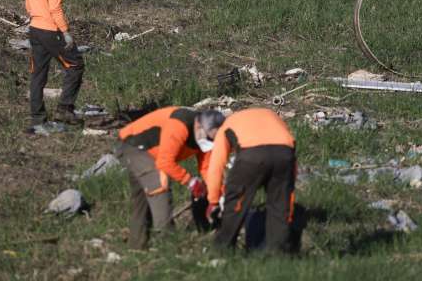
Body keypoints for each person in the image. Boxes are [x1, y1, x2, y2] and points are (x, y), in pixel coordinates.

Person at [116, 106, 225, 249]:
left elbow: (207, 170)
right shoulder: (180, 124)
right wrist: (190, 181)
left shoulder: (205, 138)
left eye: (213, 139)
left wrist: (219, 196)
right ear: (199, 125)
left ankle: (137, 248)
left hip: (149, 153)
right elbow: (165, 162)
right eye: (208, 137)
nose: (209, 142)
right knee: (159, 186)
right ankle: (168, 245)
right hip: (133, 145)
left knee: (142, 201)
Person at [205, 108, 296, 253]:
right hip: (284, 153)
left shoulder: (227, 125)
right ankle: (278, 253)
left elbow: (216, 166)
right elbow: (291, 149)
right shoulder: (272, 116)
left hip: (251, 156)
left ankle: (222, 250)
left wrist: (213, 200)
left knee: (236, 203)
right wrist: (289, 196)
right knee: (279, 207)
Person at [24, 0, 85, 127]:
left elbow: (28, 5)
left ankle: (37, 118)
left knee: (38, 74)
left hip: (34, 29)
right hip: (51, 30)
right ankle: (65, 109)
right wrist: (66, 32)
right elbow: (55, 9)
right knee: (75, 64)